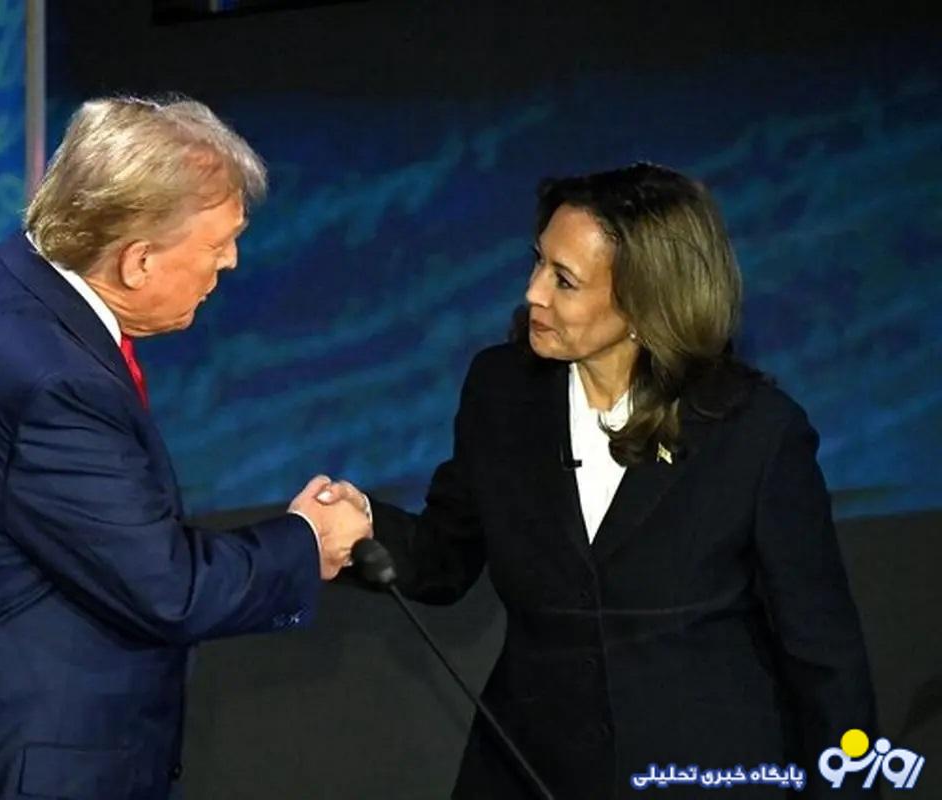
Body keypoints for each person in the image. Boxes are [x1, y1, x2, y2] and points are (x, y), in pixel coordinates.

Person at [0, 96, 371, 800]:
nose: (230, 263)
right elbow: (168, 589)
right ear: (137, 260)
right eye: (217, 247)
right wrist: (307, 541)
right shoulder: (52, 381)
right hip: (0, 768)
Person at [320, 163, 876, 798]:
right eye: (538, 263)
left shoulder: (756, 432)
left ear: (644, 301)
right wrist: (362, 526)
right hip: (531, 769)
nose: (533, 292)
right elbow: (445, 557)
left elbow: (824, 656)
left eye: (564, 280)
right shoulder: (501, 391)